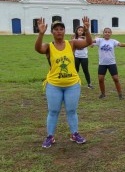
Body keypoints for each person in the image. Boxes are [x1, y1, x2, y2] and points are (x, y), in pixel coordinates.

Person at [34, 17, 93, 148]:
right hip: (54, 85)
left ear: (65, 31)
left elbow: (88, 42)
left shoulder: (72, 44)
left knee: (71, 110)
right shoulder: (49, 47)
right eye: (56, 29)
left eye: (61, 29)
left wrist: (87, 29)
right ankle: (50, 136)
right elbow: (38, 48)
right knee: (53, 111)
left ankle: (74, 134)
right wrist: (41, 33)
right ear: (52, 32)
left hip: (72, 84)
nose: (59, 31)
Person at [91, 27, 125, 99]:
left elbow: (120, 44)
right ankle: (103, 94)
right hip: (102, 64)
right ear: (103, 33)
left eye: (108, 32)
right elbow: (91, 43)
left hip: (111, 63)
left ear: (111, 34)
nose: (107, 33)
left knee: (116, 79)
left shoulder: (113, 41)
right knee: (101, 79)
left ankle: (120, 95)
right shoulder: (100, 40)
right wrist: (94, 38)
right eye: (105, 32)